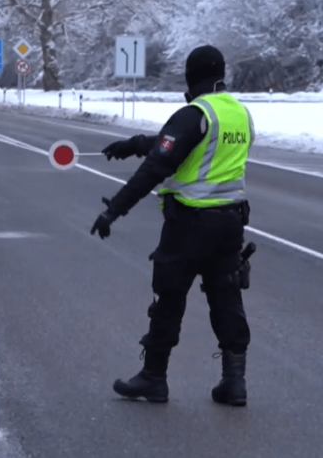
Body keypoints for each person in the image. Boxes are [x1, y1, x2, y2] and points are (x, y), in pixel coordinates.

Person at [90, 44, 255, 406]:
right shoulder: (239, 114)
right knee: (227, 297)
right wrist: (135, 144)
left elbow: (157, 167)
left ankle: (153, 377)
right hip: (230, 224)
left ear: (190, 78)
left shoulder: (195, 112)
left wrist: (113, 210)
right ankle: (234, 382)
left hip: (190, 225)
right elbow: (184, 144)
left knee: (169, 297)